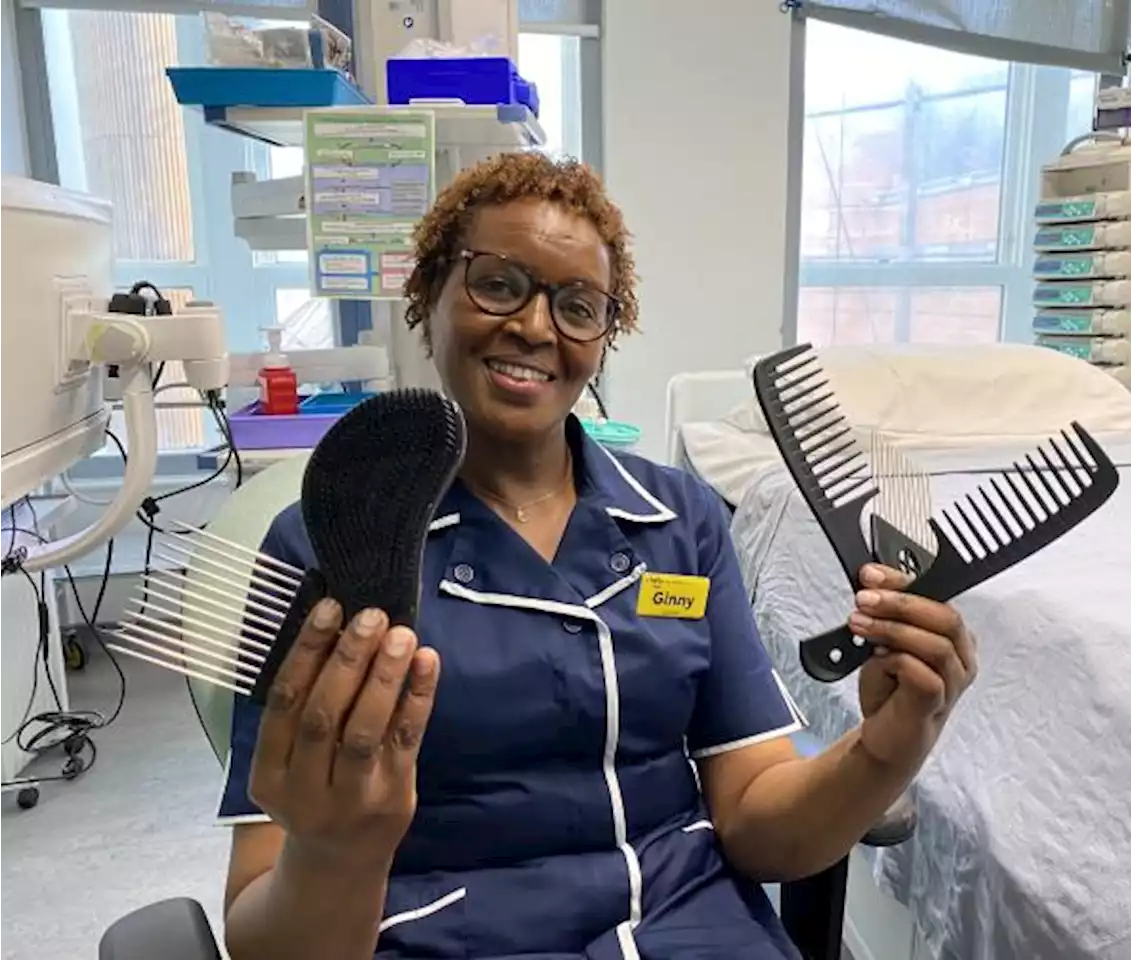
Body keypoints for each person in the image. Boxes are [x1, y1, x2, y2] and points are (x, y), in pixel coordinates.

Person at [216, 152, 978, 960]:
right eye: (499, 284)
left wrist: (886, 748)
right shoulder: (331, 543)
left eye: (579, 307)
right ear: (428, 294)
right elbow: (266, 930)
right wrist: (336, 853)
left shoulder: (680, 523)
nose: (538, 328)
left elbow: (758, 823)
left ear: (604, 337)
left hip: (691, 929)